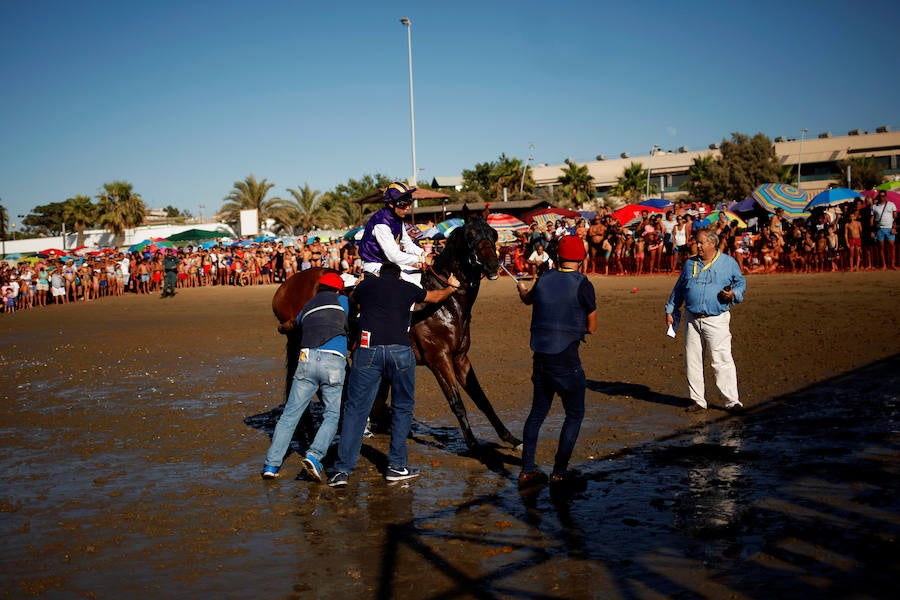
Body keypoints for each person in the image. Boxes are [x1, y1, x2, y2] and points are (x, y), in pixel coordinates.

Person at [327, 261, 460, 488]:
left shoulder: (368, 286)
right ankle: (396, 466)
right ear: (399, 276)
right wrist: (451, 287)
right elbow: (435, 297)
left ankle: (341, 471)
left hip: (368, 350)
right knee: (402, 407)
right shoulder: (406, 287)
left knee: (356, 409)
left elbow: (353, 301)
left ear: (379, 274)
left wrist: (360, 285)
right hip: (399, 350)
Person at [516, 236, 597, 489]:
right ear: (580, 258)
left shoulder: (544, 278)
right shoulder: (583, 283)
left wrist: (522, 289)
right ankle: (559, 472)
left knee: (537, 414)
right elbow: (592, 326)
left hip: (540, 356)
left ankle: (527, 470)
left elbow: (527, 299)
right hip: (566, 358)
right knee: (574, 414)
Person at [261, 272, 349, 482]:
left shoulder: (308, 306)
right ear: (338, 290)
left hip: (306, 360)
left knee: (289, 415)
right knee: (332, 416)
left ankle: (271, 465)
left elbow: (292, 325)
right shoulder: (343, 300)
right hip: (333, 361)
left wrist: (281, 328)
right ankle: (314, 455)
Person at [665, 229, 747, 413]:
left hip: (716, 319)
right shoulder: (689, 263)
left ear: (712, 243)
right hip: (691, 318)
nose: (698, 245)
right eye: (697, 242)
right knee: (692, 360)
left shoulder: (728, 262)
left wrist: (734, 294)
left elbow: (741, 283)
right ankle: (698, 400)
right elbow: (679, 289)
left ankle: (732, 401)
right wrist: (671, 309)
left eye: (701, 243)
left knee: (721, 359)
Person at [357, 181, 431, 284]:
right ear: (391, 204)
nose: (408, 207)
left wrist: (426, 254)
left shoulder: (398, 219)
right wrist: (422, 259)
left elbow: (408, 245)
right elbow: (394, 256)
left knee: (420, 275)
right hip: (374, 265)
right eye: (404, 204)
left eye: (409, 202)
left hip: (389, 265)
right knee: (415, 285)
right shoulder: (381, 223)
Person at [871, 190, 896, 270]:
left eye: (883, 196)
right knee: (881, 248)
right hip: (880, 229)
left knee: (892, 246)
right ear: (879, 196)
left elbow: (895, 217)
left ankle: (892, 264)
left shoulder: (891, 204)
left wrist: (894, 228)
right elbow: (872, 219)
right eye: (880, 196)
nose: (882, 197)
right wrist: (872, 230)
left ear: (885, 196)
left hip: (889, 228)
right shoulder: (875, 206)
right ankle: (884, 265)